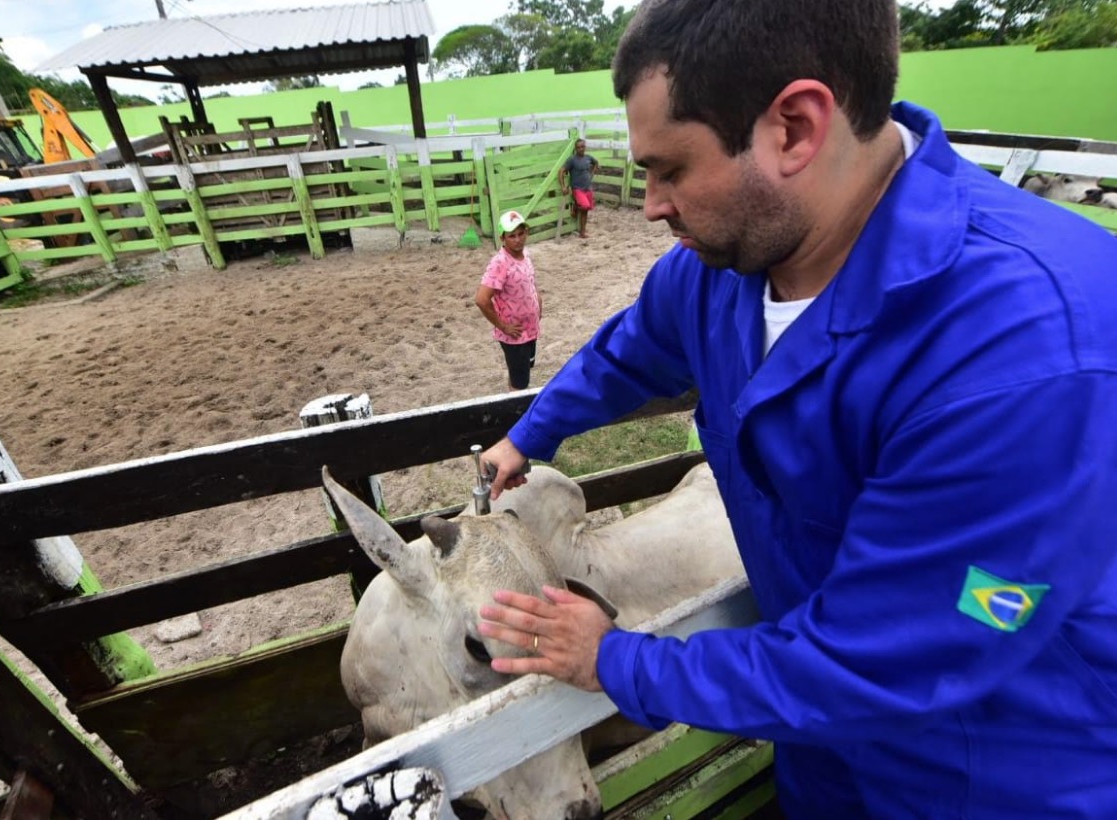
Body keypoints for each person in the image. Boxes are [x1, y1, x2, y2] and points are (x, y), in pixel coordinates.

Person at [475, 0, 1117, 817]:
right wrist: (530, 433)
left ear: (794, 128)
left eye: (670, 168)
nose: (651, 204)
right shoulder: (721, 270)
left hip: (998, 773)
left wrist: (616, 662)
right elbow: (630, 348)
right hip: (822, 762)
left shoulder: (1022, 353)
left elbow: (875, 662)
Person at [475, 210, 543, 391]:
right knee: (520, 383)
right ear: (503, 238)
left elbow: (531, 283)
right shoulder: (500, 263)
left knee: (522, 371)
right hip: (515, 335)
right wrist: (503, 326)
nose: (518, 239)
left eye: (521, 233)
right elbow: (482, 300)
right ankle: (515, 411)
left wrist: (538, 305)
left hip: (530, 327)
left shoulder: (525, 254)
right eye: (512, 236)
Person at [559, 138, 600, 238]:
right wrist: (563, 187)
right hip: (577, 189)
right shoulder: (572, 160)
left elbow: (596, 163)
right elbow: (561, 171)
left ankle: (582, 232)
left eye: (582, 146)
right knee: (585, 206)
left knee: (586, 210)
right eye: (578, 147)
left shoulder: (588, 158)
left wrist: (593, 172)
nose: (581, 149)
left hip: (588, 188)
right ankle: (575, 207)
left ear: (585, 147)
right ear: (575, 149)